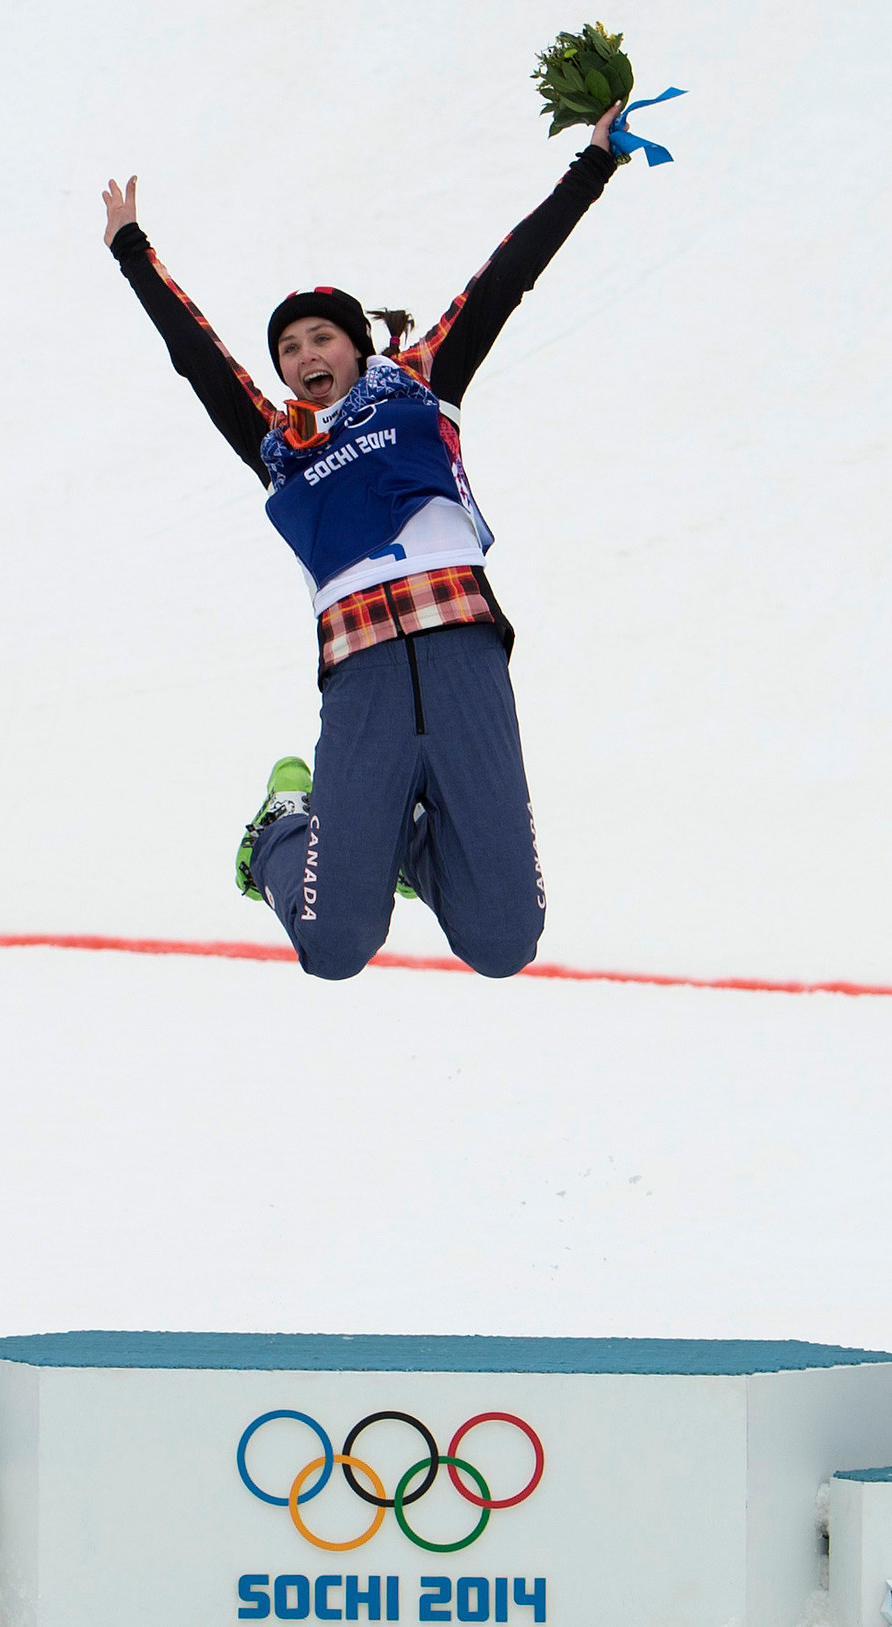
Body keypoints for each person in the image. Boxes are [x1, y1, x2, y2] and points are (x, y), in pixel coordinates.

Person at [99, 102, 630, 980]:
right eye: (289, 348)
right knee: (336, 945)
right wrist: (133, 254)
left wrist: (593, 165)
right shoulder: (278, 445)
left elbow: (507, 277)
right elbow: (197, 356)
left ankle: (410, 841)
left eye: (322, 337)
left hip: (464, 662)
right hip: (364, 681)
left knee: (503, 944)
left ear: (353, 346)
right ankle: (284, 827)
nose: (306, 353)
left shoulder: (424, 386)